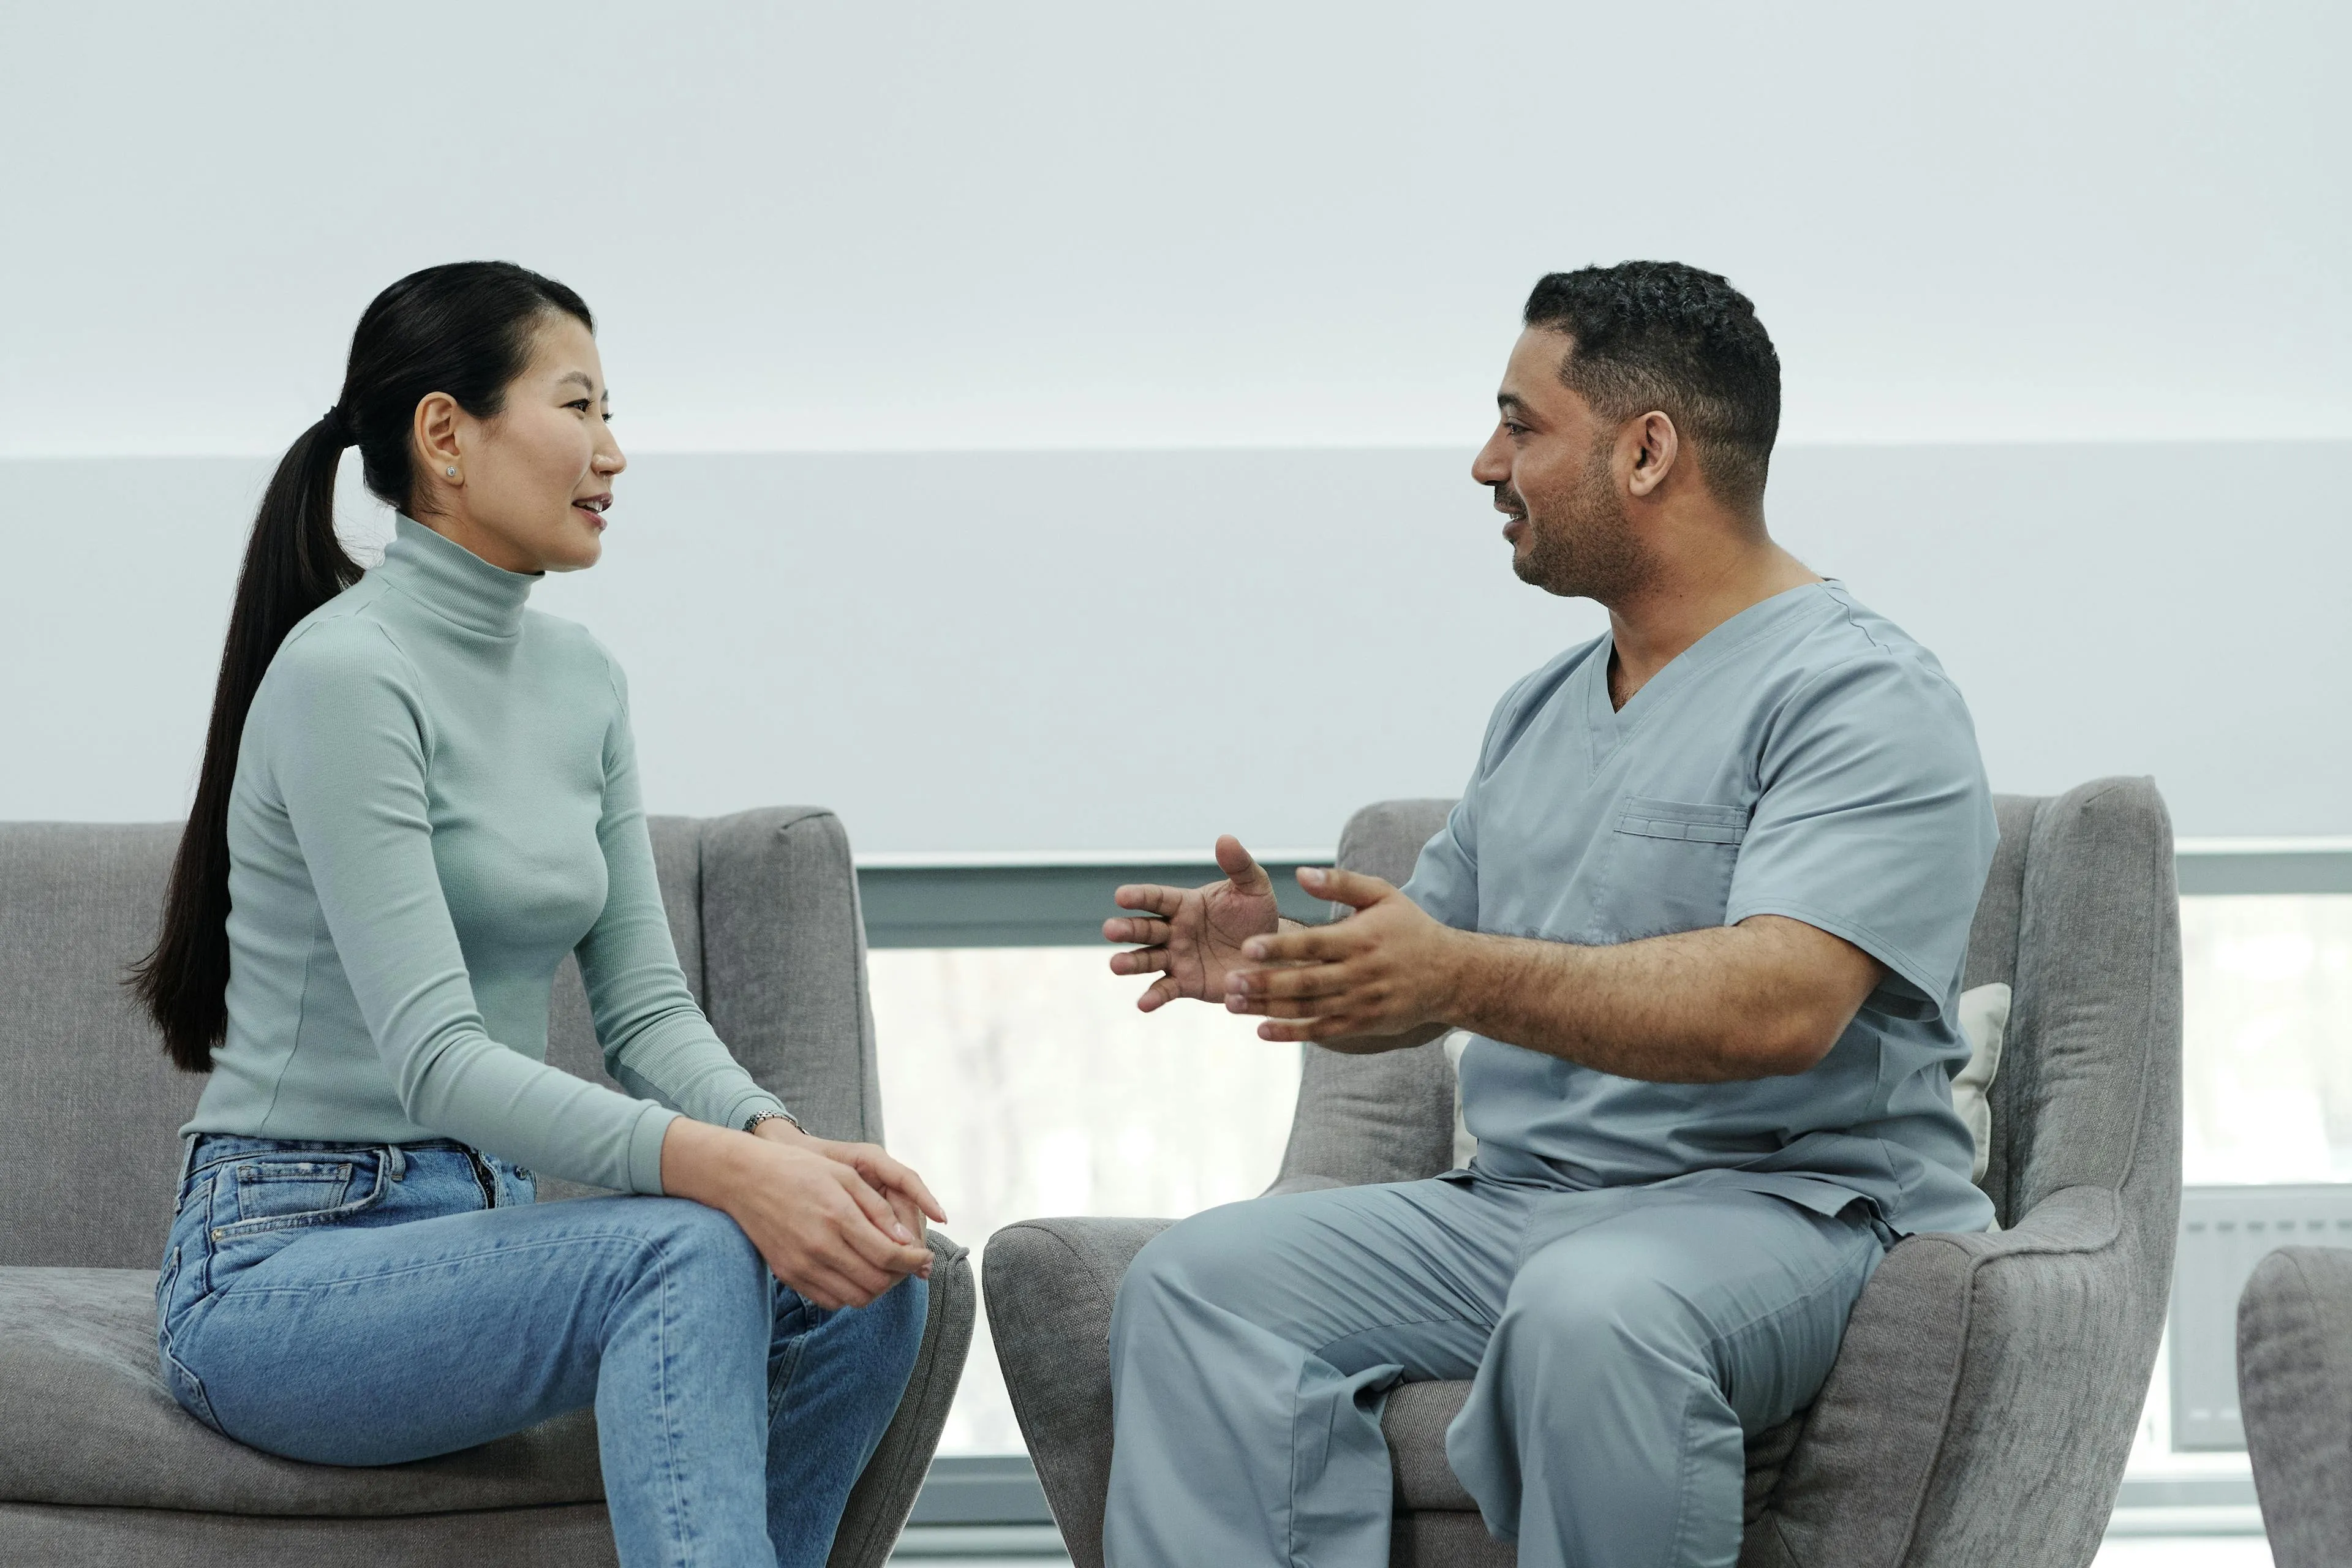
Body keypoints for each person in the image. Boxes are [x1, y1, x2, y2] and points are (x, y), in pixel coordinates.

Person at [1098, 261, 1997, 1567]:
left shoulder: (1863, 696)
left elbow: (1785, 1002)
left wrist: (1455, 975)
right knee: (1198, 1285)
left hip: (1786, 1205)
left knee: (1595, 1310)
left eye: (1521, 424)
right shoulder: (1538, 710)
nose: (1485, 463)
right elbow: (1426, 963)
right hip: (1521, 1203)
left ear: (1646, 452)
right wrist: (1290, 965)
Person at [134, 261, 943, 1568]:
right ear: (445, 435)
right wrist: (724, 1172)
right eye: (580, 406)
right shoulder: (347, 674)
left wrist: (779, 1144)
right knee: (682, 1250)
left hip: (481, 1234)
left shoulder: (583, 678)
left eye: (612, 410)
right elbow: (437, 1059)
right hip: (281, 1261)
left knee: (878, 1283)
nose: (614, 452)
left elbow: (647, 1008)